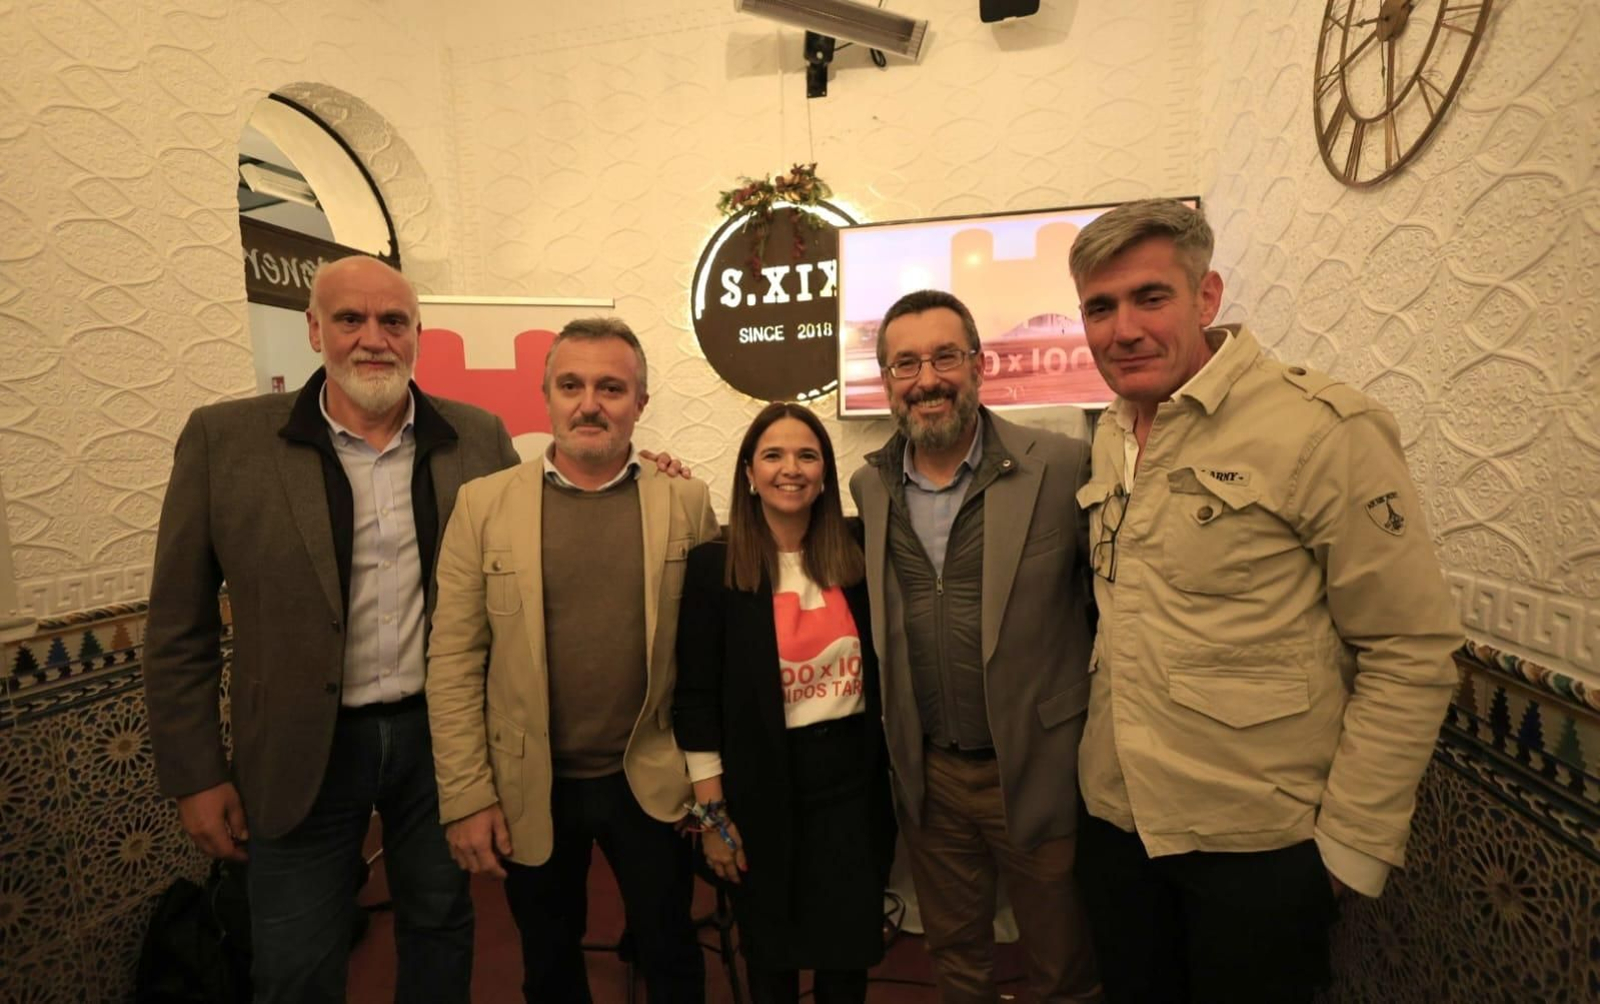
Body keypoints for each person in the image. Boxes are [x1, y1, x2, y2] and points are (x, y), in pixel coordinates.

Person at [1066, 198, 1461, 1003]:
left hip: (1258, 847)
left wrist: (1350, 846)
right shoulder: (1111, 431)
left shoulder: (1320, 429)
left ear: (1206, 298)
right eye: (1099, 308)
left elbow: (1409, 647)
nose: (1123, 329)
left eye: (1150, 297)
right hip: (1118, 824)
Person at [143, 255, 521, 1003]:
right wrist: (195, 772)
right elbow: (177, 622)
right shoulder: (226, 442)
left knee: (443, 927)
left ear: (419, 335)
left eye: (394, 321)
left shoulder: (478, 439)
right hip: (298, 748)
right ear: (315, 329)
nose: (372, 338)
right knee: (293, 958)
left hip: (440, 740)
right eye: (350, 319)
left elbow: (533, 556)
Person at [425, 317, 719, 1003]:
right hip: (533, 780)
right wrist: (467, 795)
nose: (591, 403)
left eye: (612, 387)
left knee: (671, 950)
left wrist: (710, 783)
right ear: (547, 396)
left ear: (639, 403)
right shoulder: (483, 505)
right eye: (572, 385)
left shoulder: (685, 501)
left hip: (650, 778)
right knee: (550, 962)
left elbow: (709, 658)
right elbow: (454, 660)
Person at [849, 289, 1101, 1003]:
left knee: (1063, 962)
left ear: (979, 364)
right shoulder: (869, 485)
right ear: (887, 381)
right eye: (905, 364)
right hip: (931, 774)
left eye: (944, 357)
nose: (927, 379)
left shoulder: (1062, 466)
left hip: (1037, 763)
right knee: (956, 957)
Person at [674, 403, 895, 1004]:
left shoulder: (858, 555)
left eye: (807, 455)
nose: (790, 469)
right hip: (759, 791)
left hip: (851, 791)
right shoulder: (713, 568)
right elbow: (694, 701)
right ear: (749, 473)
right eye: (773, 455)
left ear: (825, 473)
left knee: (847, 963)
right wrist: (714, 818)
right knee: (771, 962)